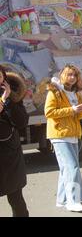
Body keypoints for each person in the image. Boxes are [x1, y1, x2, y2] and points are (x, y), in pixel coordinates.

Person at [45, 64, 82, 212]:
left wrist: (81, 110)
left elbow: (77, 116)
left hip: (73, 133)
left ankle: (62, 199)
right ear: (62, 75)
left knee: (66, 169)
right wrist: (72, 109)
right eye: (69, 74)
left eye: (74, 75)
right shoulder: (55, 91)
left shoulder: (76, 93)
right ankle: (73, 201)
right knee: (73, 167)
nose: (72, 77)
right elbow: (49, 112)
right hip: (59, 134)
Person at [0, 65, 30, 217]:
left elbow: (22, 122)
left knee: (16, 199)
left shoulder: (13, 97)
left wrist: (7, 100)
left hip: (10, 156)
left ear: (3, 78)